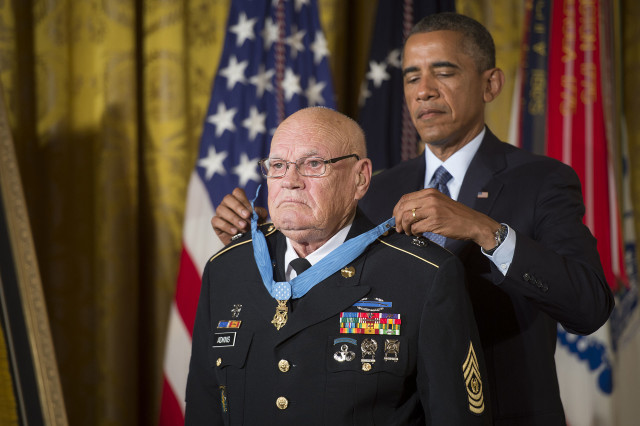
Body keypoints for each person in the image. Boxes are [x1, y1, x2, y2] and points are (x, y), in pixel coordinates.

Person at [210, 13, 615, 426]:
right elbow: (325, 280)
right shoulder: (378, 188)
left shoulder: (542, 180)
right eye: (411, 77)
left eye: (444, 72)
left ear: (491, 84)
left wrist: (484, 230)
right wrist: (271, 229)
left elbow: (589, 306)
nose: (424, 91)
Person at [185, 107, 491, 425]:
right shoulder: (226, 268)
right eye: (277, 166)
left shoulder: (423, 275)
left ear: (360, 178)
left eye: (313, 164)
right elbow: (203, 407)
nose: (290, 181)